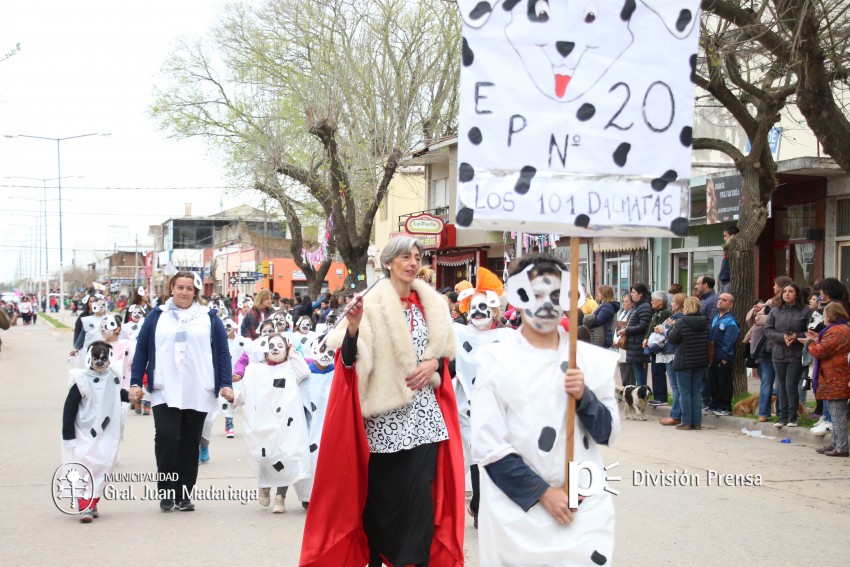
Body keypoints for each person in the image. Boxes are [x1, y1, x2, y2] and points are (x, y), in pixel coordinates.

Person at [300, 236, 463, 567]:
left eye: (417, 257)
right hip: (381, 422)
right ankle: (375, 557)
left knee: (419, 499)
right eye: (405, 257)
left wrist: (435, 363)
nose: (413, 263)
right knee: (381, 503)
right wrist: (354, 328)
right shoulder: (371, 304)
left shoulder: (433, 304)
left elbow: (448, 358)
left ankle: (410, 561)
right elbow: (348, 362)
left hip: (425, 421)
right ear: (388, 263)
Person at [471, 253, 620, 566]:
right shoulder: (496, 362)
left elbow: (603, 436)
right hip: (519, 520)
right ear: (518, 296)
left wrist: (584, 397)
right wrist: (544, 493)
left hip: (581, 516)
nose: (547, 304)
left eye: (555, 294)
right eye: (537, 294)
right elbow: (487, 446)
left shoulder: (589, 361)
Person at [129, 271, 233, 512]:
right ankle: (166, 491)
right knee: (166, 436)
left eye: (189, 288)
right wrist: (135, 382)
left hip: (198, 389)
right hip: (165, 389)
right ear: (171, 288)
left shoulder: (209, 318)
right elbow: (142, 349)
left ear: (195, 291)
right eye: (179, 287)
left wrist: (225, 383)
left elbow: (222, 353)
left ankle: (184, 494)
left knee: (189, 441)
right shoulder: (157, 316)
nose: (184, 292)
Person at [453, 266, 514, 529]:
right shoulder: (459, 334)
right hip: (467, 409)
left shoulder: (509, 338)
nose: (479, 314)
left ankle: (490, 505)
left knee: (496, 457)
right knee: (477, 459)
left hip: (500, 410)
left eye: (484, 308)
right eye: (474, 308)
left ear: (496, 311)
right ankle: (479, 507)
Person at [233, 333, 312, 512]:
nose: (275, 349)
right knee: (265, 455)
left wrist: (292, 352)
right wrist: (233, 398)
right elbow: (247, 392)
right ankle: (265, 485)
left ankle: (280, 498)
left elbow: (305, 371)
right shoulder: (256, 370)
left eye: (280, 346)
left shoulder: (291, 369)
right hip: (263, 422)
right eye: (272, 346)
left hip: (285, 424)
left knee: (284, 456)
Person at [62, 341, 129, 522]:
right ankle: (86, 505)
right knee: (86, 465)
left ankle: (92, 500)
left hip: (107, 430)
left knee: (105, 464)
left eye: (103, 359)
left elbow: (117, 393)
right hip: (84, 430)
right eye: (95, 359)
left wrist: (130, 395)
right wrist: (68, 434)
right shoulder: (80, 379)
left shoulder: (112, 376)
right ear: (89, 359)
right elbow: (69, 409)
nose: (99, 363)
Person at [804, 302, 850, 457]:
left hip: (836, 377)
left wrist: (809, 343)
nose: (823, 317)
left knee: (838, 414)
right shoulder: (843, 328)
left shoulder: (836, 331)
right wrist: (816, 339)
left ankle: (842, 447)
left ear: (832, 314)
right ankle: (835, 443)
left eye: (824, 314)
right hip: (837, 375)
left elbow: (821, 351)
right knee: (837, 412)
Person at [764, 282, 812, 427]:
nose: (787, 294)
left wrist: (796, 336)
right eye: (785, 291)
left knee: (791, 385)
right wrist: (782, 337)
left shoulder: (805, 311)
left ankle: (793, 417)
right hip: (778, 352)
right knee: (780, 386)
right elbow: (768, 330)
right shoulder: (775, 310)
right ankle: (782, 417)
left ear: (796, 294)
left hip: (796, 353)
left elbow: (811, 331)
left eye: (790, 291)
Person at [746, 276, 793, 421]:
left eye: (775, 285)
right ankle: (780, 412)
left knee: (768, 380)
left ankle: (764, 413)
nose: (773, 287)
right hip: (776, 347)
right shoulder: (783, 306)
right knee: (779, 381)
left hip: (769, 347)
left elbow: (758, 321)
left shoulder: (771, 304)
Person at [667, 296, 709, 430]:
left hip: (684, 360)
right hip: (700, 360)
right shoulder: (705, 322)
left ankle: (686, 421)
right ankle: (696, 422)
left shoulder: (681, 322)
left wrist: (670, 328)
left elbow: (672, 338)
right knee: (696, 391)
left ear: (687, 307)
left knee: (684, 391)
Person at [707, 293, 740, 416]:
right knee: (714, 381)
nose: (720, 301)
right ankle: (714, 404)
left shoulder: (730, 321)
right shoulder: (716, 318)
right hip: (713, 356)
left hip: (723, 356)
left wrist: (725, 357)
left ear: (730, 305)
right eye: (720, 299)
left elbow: (729, 341)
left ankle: (725, 406)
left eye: (724, 300)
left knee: (724, 382)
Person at [657, 292, 686, 426]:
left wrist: (662, 329)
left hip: (672, 353)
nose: (671, 303)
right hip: (670, 353)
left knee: (676, 386)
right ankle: (676, 414)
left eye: (674, 301)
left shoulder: (678, 319)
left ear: (680, 304)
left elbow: (673, 335)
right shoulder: (674, 317)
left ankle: (676, 415)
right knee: (676, 386)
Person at [617, 284, 652, 387]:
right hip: (633, 343)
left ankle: (641, 392)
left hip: (638, 342)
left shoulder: (644, 307)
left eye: (633, 292)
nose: (631, 295)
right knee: (636, 367)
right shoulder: (638, 306)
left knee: (638, 368)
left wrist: (627, 330)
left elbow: (643, 325)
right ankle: (639, 391)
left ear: (640, 294)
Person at [644, 291, 673, 406]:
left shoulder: (665, 313)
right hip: (654, 345)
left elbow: (657, 330)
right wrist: (646, 338)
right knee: (655, 371)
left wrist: (649, 338)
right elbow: (650, 328)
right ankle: (658, 396)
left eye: (653, 300)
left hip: (660, 347)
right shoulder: (657, 312)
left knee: (658, 372)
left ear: (660, 302)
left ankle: (661, 397)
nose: (651, 302)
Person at [583, 285, 619, 349]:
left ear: (604, 294)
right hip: (601, 336)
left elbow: (598, 321)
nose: (598, 294)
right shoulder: (605, 305)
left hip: (602, 337)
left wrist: (586, 319)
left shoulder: (607, 307)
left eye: (599, 293)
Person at [616, 294, 635, 386]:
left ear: (632, 303)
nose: (624, 304)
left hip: (627, 342)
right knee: (622, 365)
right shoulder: (623, 313)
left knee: (628, 367)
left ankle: (629, 387)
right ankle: (624, 387)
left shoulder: (632, 313)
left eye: (626, 302)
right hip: (621, 341)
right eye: (623, 301)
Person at [718, 226, 739, 294]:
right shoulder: (727, 249)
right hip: (723, 281)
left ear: (732, 236)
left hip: (729, 281)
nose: (724, 238)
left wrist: (731, 239)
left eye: (725, 236)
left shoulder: (735, 248)